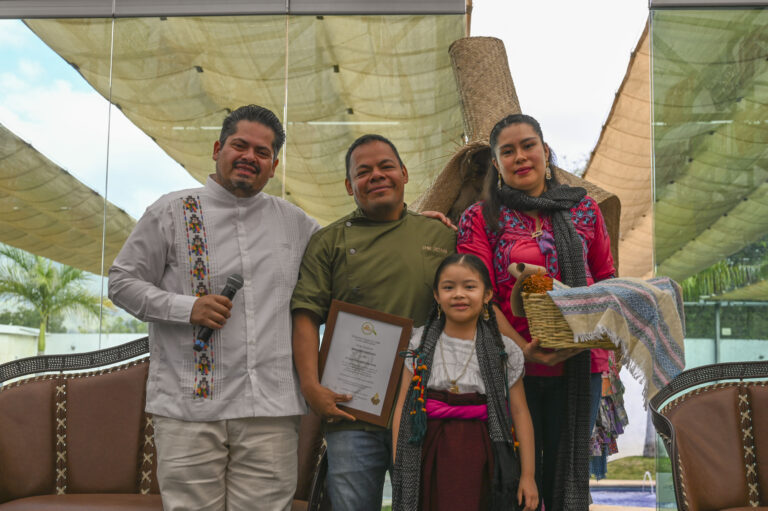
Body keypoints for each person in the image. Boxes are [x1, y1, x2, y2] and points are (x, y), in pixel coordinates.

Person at [109, 104, 319, 511]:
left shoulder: (294, 222)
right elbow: (121, 283)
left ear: (273, 166)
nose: (249, 157)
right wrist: (186, 307)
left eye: (262, 152)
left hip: (270, 411)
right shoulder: (171, 211)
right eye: (240, 145)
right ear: (217, 148)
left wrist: (414, 225)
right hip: (191, 405)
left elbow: (350, 251)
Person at [457, 113, 615, 511]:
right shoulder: (480, 218)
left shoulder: (584, 211)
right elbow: (478, 296)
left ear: (545, 151)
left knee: (566, 473)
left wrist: (594, 341)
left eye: (528, 146)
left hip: (580, 363)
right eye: (507, 151)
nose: (520, 157)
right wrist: (522, 348)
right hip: (510, 365)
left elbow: (606, 280)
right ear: (496, 164)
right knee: (513, 479)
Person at [291, 134, 456, 511]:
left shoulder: (442, 236)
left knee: (423, 504)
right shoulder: (328, 242)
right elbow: (305, 317)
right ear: (350, 186)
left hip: (424, 405)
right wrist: (311, 386)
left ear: (404, 173)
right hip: (352, 410)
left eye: (385, 166)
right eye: (363, 172)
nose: (376, 176)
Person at [391, 253, 538, 511]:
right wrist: (399, 462)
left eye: (469, 287)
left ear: (487, 295)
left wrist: (527, 476)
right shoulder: (419, 345)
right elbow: (404, 405)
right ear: (437, 296)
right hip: (429, 450)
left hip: (483, 451)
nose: (459, 294)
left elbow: (519, 411)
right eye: (449, 287)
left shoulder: (504, 350)